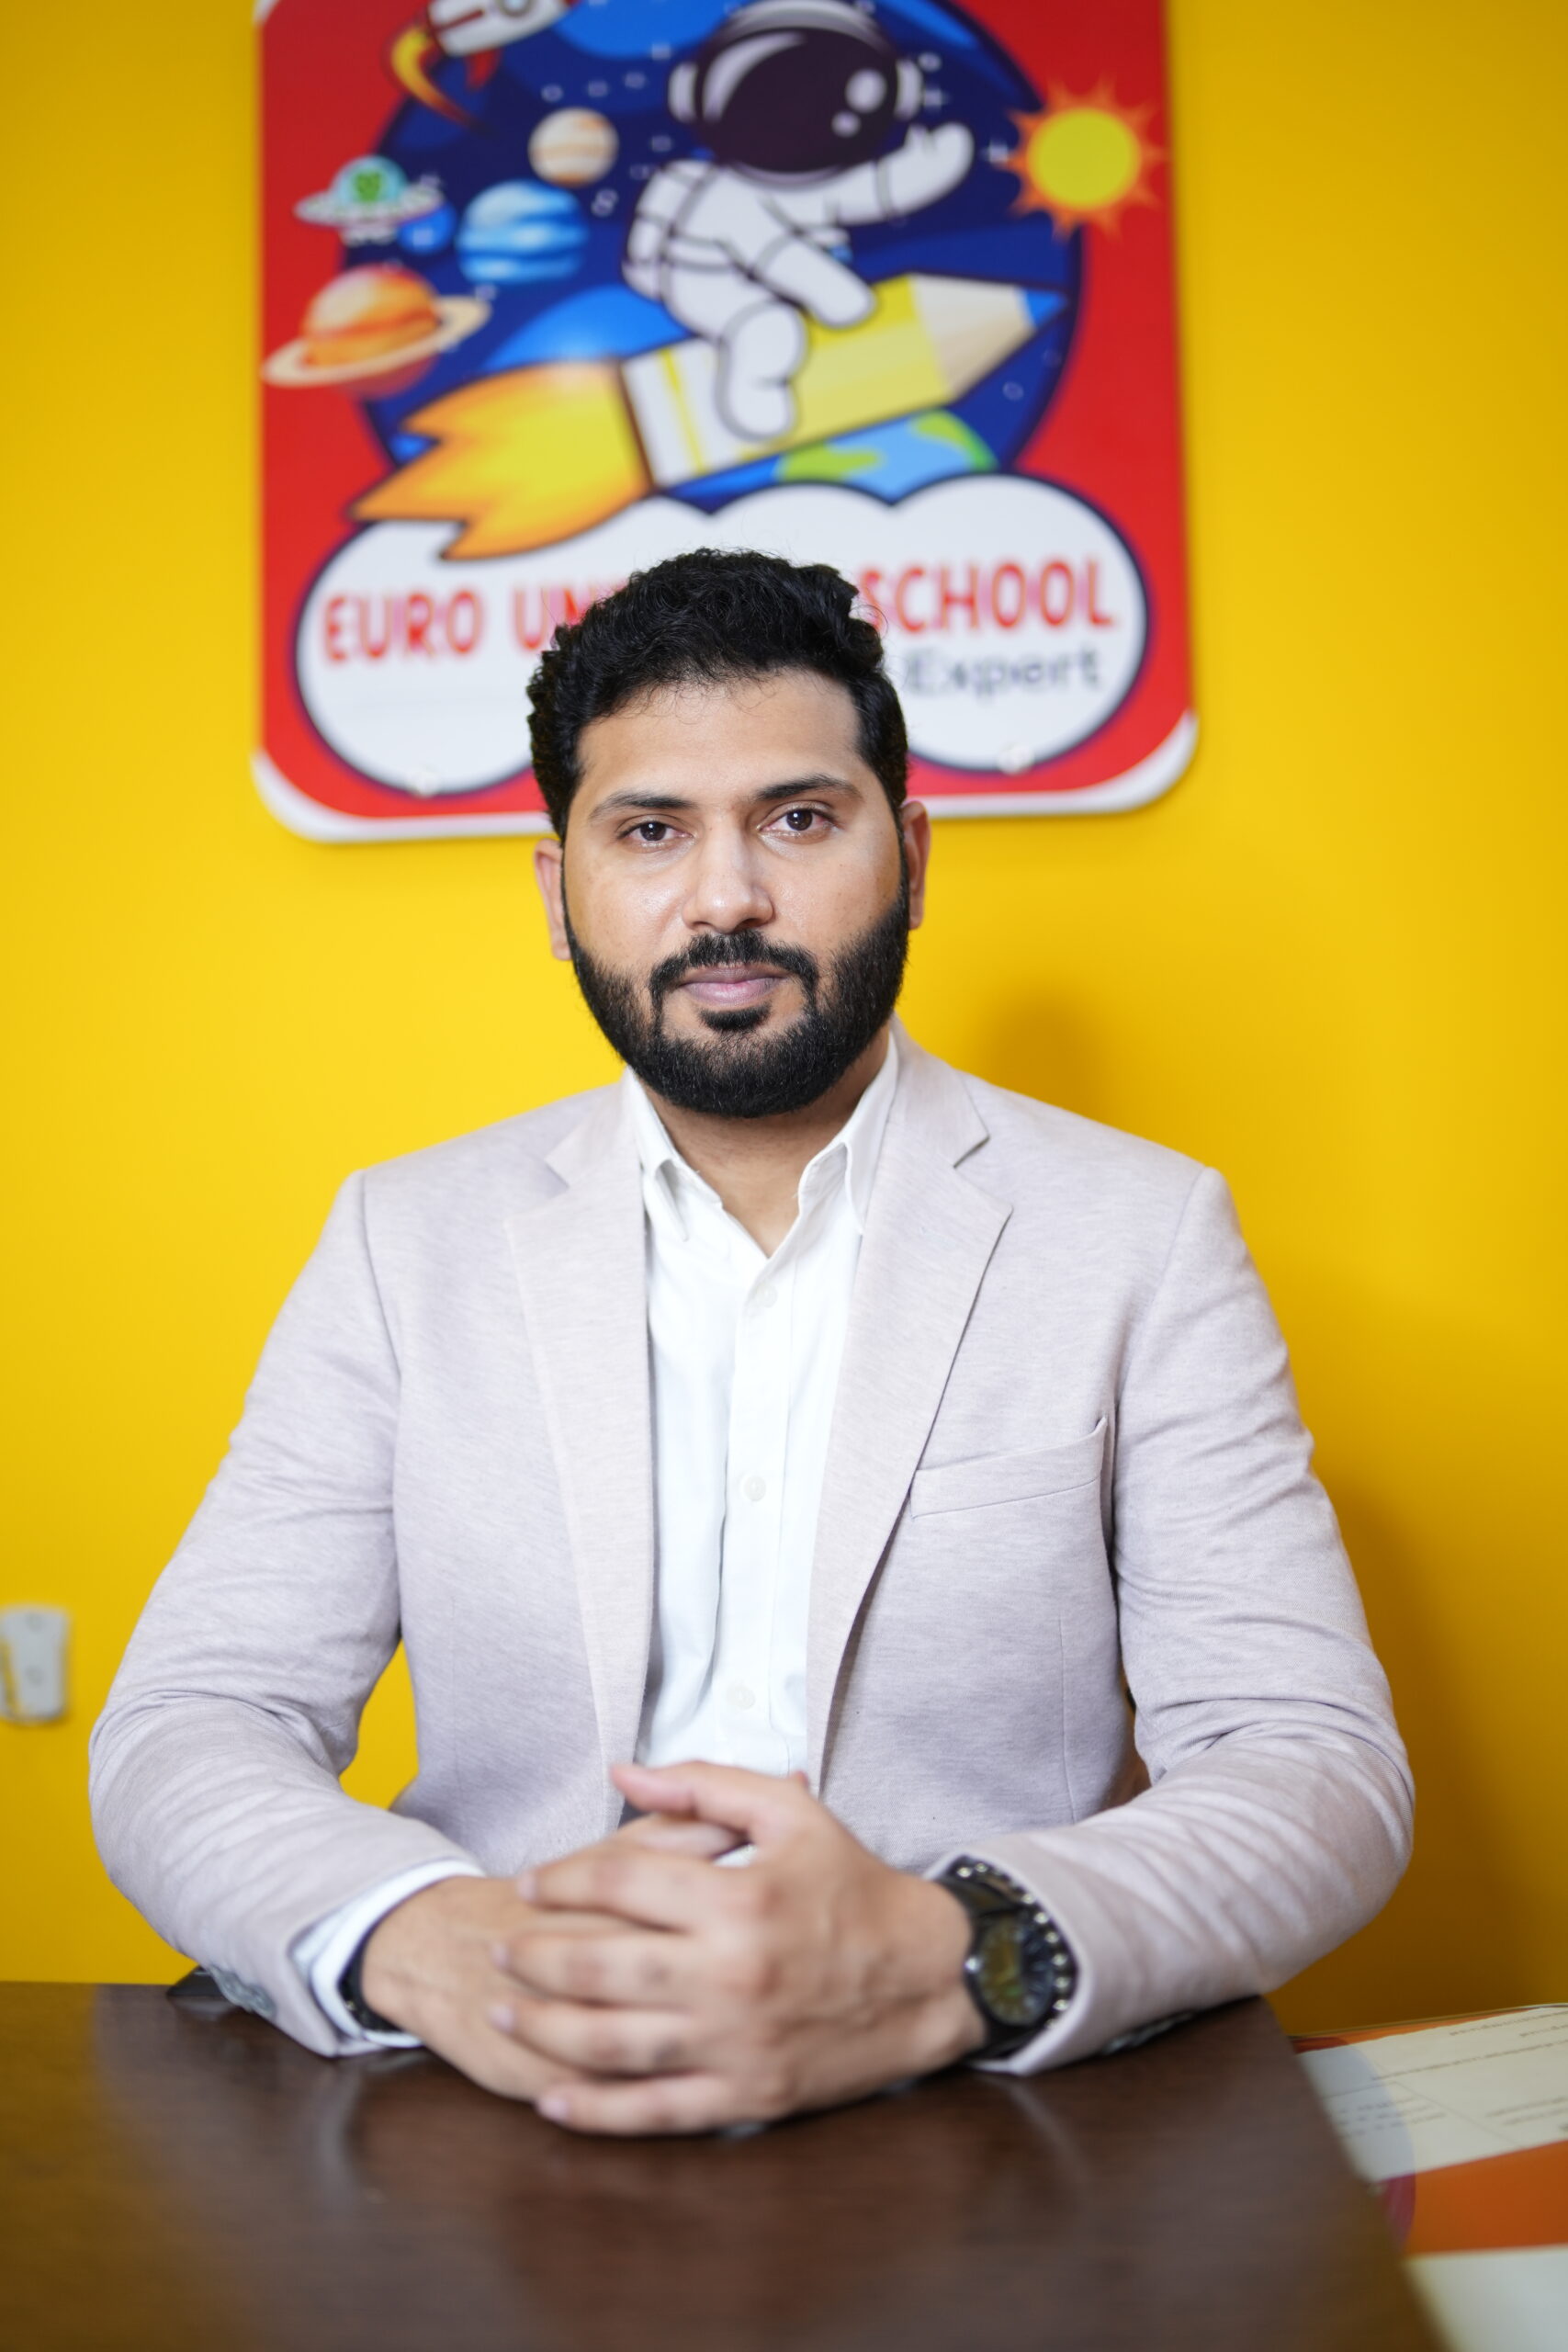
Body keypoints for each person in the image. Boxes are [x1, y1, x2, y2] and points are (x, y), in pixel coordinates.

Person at [91, 550, 1412, 2137]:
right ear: (557, 889)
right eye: (650, 831)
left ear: (910, 855)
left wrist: (943, 1959)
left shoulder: (1142, 1232)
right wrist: (434, 1944)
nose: (725, 898)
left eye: (797, 819)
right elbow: (191, 1720)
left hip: (966, 2113)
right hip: (498, 2098)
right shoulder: (403, 1240)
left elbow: (1310, 1760)